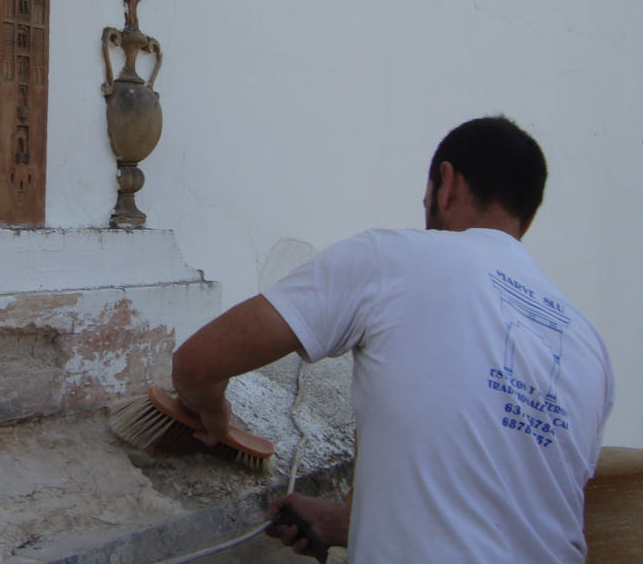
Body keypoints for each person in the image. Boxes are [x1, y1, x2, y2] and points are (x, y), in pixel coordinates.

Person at [171, 116, 614, 562]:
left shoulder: (391, 260)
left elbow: (197, 364)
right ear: (528, 216)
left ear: (447, 185)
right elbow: (502, 508)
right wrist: (345, 523)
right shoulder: (589, 346)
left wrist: (212, 410)